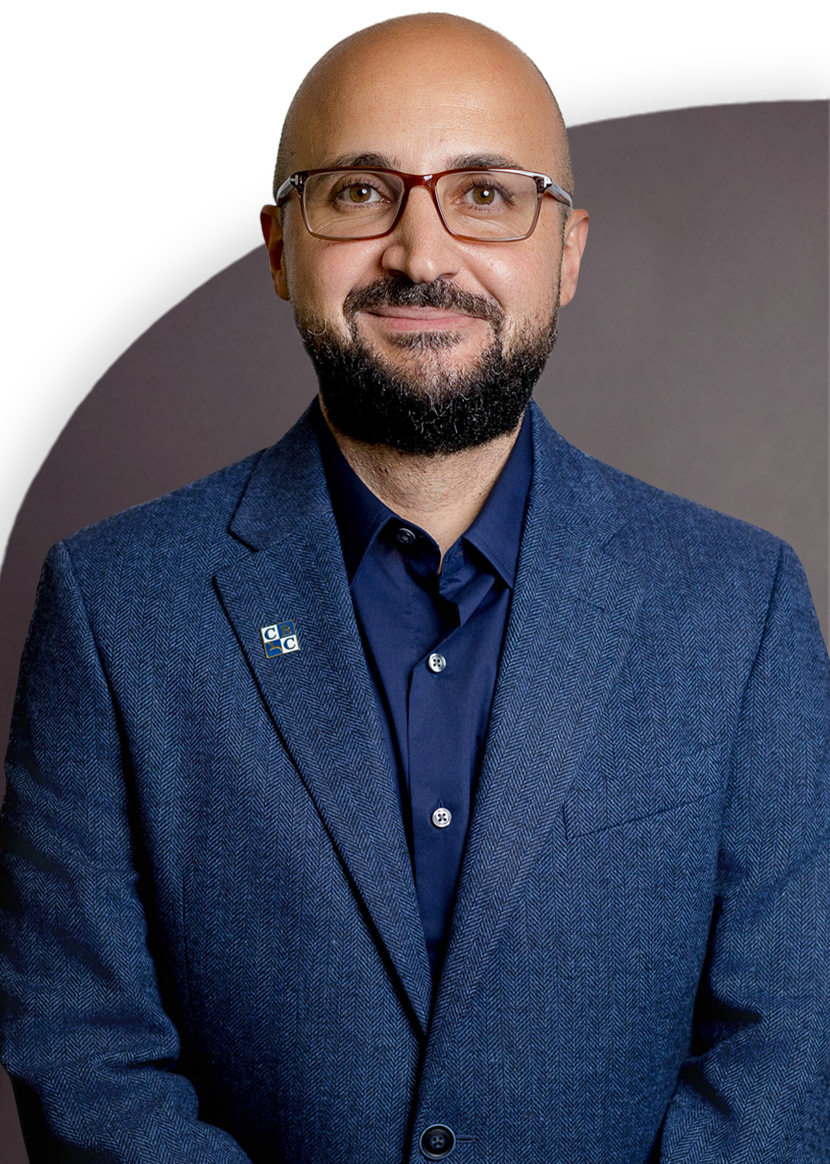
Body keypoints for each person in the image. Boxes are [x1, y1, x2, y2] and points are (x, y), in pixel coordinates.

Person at [1, 12, 827, 1163]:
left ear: (568, 250)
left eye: (486, 194)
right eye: (357, 193)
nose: (420, 254)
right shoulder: (113, 606)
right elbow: (81, 1051)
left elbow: (790, 1043)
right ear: (280, 245)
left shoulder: (736, 607)